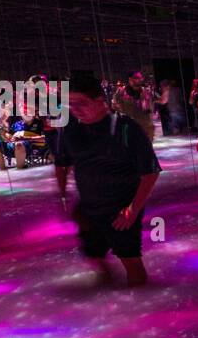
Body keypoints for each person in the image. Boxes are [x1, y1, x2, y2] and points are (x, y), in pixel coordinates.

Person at [55, 74, 161, 288]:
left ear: (99, 101)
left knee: (130, 260)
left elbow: (150, 173)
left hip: (121, 208)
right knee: (93, 253)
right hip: (89, 206)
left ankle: (139, 309)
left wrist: (132, 210)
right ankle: (108, 284)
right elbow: (61, 163)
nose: (75, 109)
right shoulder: (70, 129)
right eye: (71, 104)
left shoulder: (125, 128)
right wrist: (64, 196)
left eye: (81, 103)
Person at [113, 71, 156, 142]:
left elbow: (151, 107)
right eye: (137, 78)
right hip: (129, 128)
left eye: (141, 77)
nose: (140, 79)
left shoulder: (146, 91)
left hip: (145, 127)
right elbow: (115, 107)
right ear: (130, 79)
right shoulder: (121, 93)